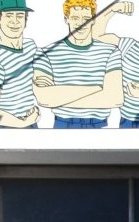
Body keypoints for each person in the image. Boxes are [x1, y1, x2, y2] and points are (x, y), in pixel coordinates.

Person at [33, 0, 125, 128]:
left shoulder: (110, 51)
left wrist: (59, 97)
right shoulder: (45, 53)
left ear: (93, 19)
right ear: (66, 19)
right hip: (62, 125)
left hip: (99, 126)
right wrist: (97, 88)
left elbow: (115, 98)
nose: (81, 23)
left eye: (86, 18)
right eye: (75, 18)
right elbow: (45, 99)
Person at [0, 0, 41, 128]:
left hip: (31, 124)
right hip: (5, 128)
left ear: (25, 21)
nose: (15, 21)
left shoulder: (30, 46)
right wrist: (22, 123)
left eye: (20, 16)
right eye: (9, 15)